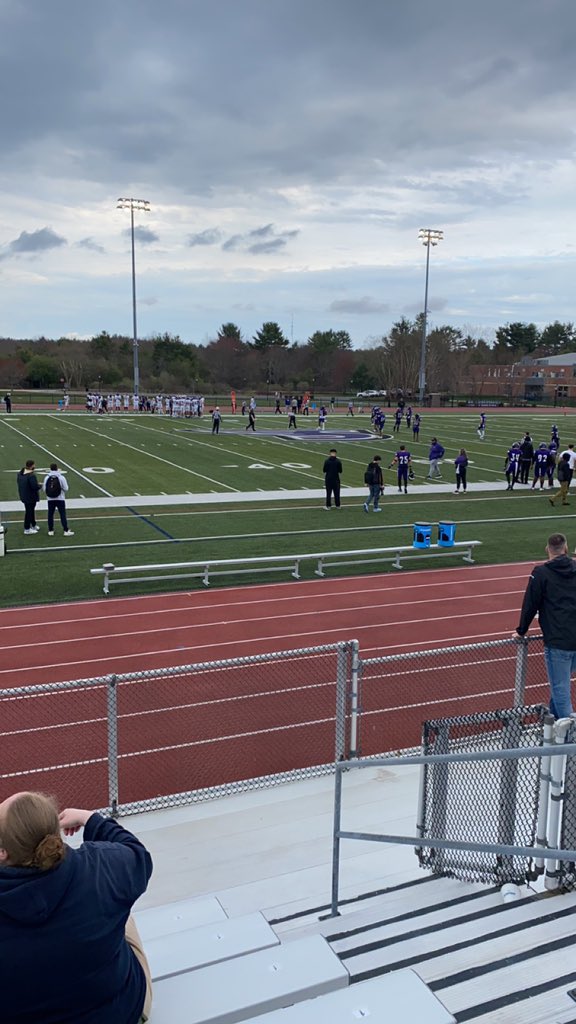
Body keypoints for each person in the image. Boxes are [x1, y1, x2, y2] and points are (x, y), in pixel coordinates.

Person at [0, 791, 153, 1024]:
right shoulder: (101, 867)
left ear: (3, 852)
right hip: (118, 1013)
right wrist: (91, 820)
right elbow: (138, 855)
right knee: (119, 904)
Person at [515, 533, 576, 718]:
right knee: (560, 686)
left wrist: (521, 631)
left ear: (547, 549)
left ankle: (569, 739)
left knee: (560, 689)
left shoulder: (541, 573)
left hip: (558, 640)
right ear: (565, 549)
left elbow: (530, 604)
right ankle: (555, 728)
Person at [43, 462, 74, 537]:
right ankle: (65, 530)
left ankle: (50, 530)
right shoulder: (61, 477)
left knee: (50, 514)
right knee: (62, 514)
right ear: (57, 468)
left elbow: (44, 489)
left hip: (50, 499)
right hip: (60, 499)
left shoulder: (47, 477)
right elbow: (66, 489)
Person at [17, 459, 41, 535]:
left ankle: (33, 525)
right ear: (31, 466)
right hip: (30, 496)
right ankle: (27, 528)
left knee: (30, 510)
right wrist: (40, 485)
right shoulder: (31, 476)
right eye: (34, 465)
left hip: (24, 495)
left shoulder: (21, 474)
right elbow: (34, 487)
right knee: (29, 511)